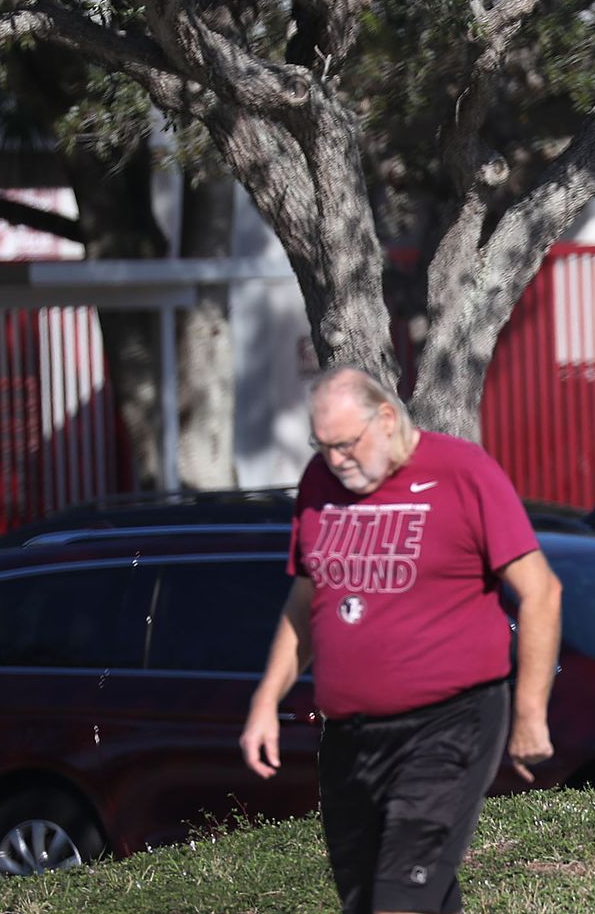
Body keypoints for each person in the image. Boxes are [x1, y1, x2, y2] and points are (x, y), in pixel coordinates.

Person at [240, 366, 562, 914]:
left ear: (386, 419)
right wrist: (266, 700)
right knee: (372, 897)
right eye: (322, 446)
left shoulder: (462, 471)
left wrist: (530, 713)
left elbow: (541, 592)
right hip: (350, 737)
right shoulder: (318, 483)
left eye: (346, 444)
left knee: (401, 899)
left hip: (449, 724)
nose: (335, 460)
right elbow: (305, 601)